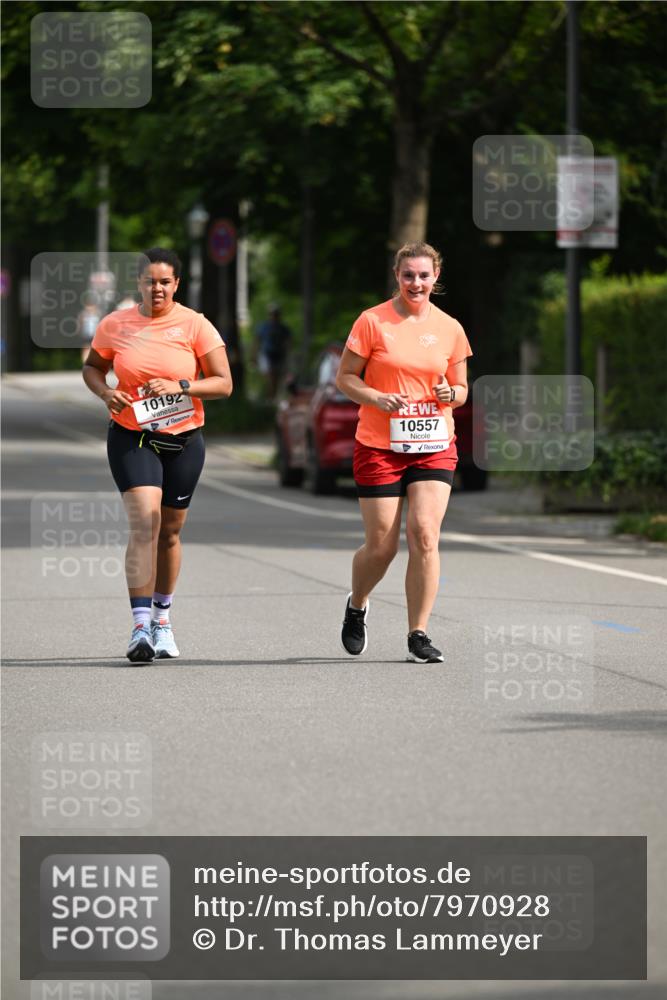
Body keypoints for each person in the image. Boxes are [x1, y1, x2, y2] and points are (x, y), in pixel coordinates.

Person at [82, 247, 232, 663]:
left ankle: (162, 621)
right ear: (139, 283)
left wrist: (182, 385)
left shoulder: (195, 325)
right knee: (145, 523)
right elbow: (93, 367)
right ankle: (139, 627)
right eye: (150, 281)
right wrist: (105, 392)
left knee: (169, 532)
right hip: (133, 435)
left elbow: (223, 384)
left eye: (165, 281)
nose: (157, 288)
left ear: (177, 284)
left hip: (184, 439)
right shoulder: (117, 324)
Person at [335, 241, 472, 663]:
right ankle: (357, 603)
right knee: (382, 546)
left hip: (433, 443)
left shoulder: (450, 327)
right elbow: (345, 378)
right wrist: (375, 397)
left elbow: (462, 390)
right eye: (408, 275)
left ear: (436, 278)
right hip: (380, 444)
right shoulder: (372, 322)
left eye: (424, 275)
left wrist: (452, 393)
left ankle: (418, 634)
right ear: (397, 276)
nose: (416, 282)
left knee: (425, 534)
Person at [255, 304, 292, 399]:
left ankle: (272, 397)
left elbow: (288, 342)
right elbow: (257, 341)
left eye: (276, 314)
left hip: (279, 355)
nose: (274, 316)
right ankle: (270, 397)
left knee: (277, 378)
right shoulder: (264, 327)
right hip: (266, 355)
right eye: (272, 314)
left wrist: (287, 354)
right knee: (270, 377)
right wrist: (254, 355)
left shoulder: (283, 328)